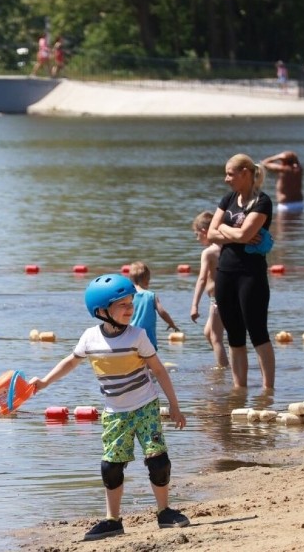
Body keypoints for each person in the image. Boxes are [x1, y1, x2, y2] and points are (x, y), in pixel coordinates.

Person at [28, 274, 190, 541]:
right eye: (122, 305)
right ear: (102, 311)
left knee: (158, 461)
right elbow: (70, 362)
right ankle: (112, 520)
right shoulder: (90, 339)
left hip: (145, 406)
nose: (130, 309)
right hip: (114, 413)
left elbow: (159, 370)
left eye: (131, 303)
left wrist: (174, 405)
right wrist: (44, 382)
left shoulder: (138, 336)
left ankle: (165, 512)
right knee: (111, 467)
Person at [206, 154, 275, 390]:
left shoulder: (262, 202)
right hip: (225, 272)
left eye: (230, 174)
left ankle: (268, 391)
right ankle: (240, 389)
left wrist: (224, 228)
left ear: (245, 173)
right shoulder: (228, 199)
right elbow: (210, 234)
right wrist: (230, 230)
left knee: (258, 333)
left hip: (251, 274)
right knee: (234, 335)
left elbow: (245, 236)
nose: (226, 179)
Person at [189, 212, 229, 369]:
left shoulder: (209, 253)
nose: (196, 238)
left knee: (215, 337)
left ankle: (223, 369)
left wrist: (194, 305)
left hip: (218, 300)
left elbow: (201, 279)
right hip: (229, 297)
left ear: (205, 231)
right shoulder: (227, 248)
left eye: (196, 234)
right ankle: (225, 362)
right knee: (208, 332)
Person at [127, 261, 179, 351]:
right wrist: (171, 323)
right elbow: (162, 311)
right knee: (150, 362)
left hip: (131, 337)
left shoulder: (128, 296)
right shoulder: (151, 295)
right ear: (146, 280)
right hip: (148, 338)